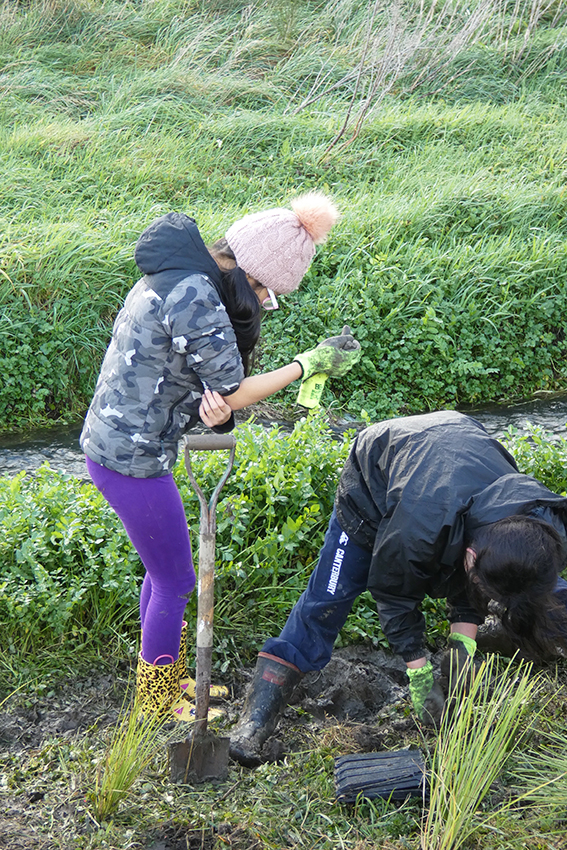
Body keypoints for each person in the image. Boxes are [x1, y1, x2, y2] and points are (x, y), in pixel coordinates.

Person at [80, 192, 361, 722]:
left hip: (123, 445)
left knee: (161, 573)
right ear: (250, 274)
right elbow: (233, 390)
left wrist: (217, 415)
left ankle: (163, 677)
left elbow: (196, 387)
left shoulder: (182, 276)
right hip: (131, 458)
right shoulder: (196, 296)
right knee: (176, 582)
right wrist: (307, 364)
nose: (265, 302)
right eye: (268, 292)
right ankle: (157, 701)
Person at [229, 410, 567, 765]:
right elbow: (394, 596)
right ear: (470, 555)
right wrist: (418, 672)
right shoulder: (415, 532)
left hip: (458, 452)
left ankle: (493, 636)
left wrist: (462, 645)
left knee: (504, 582)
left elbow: (484, 580)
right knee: (326, 600)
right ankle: (256, 718)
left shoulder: (543, 531)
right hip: (376, 476)